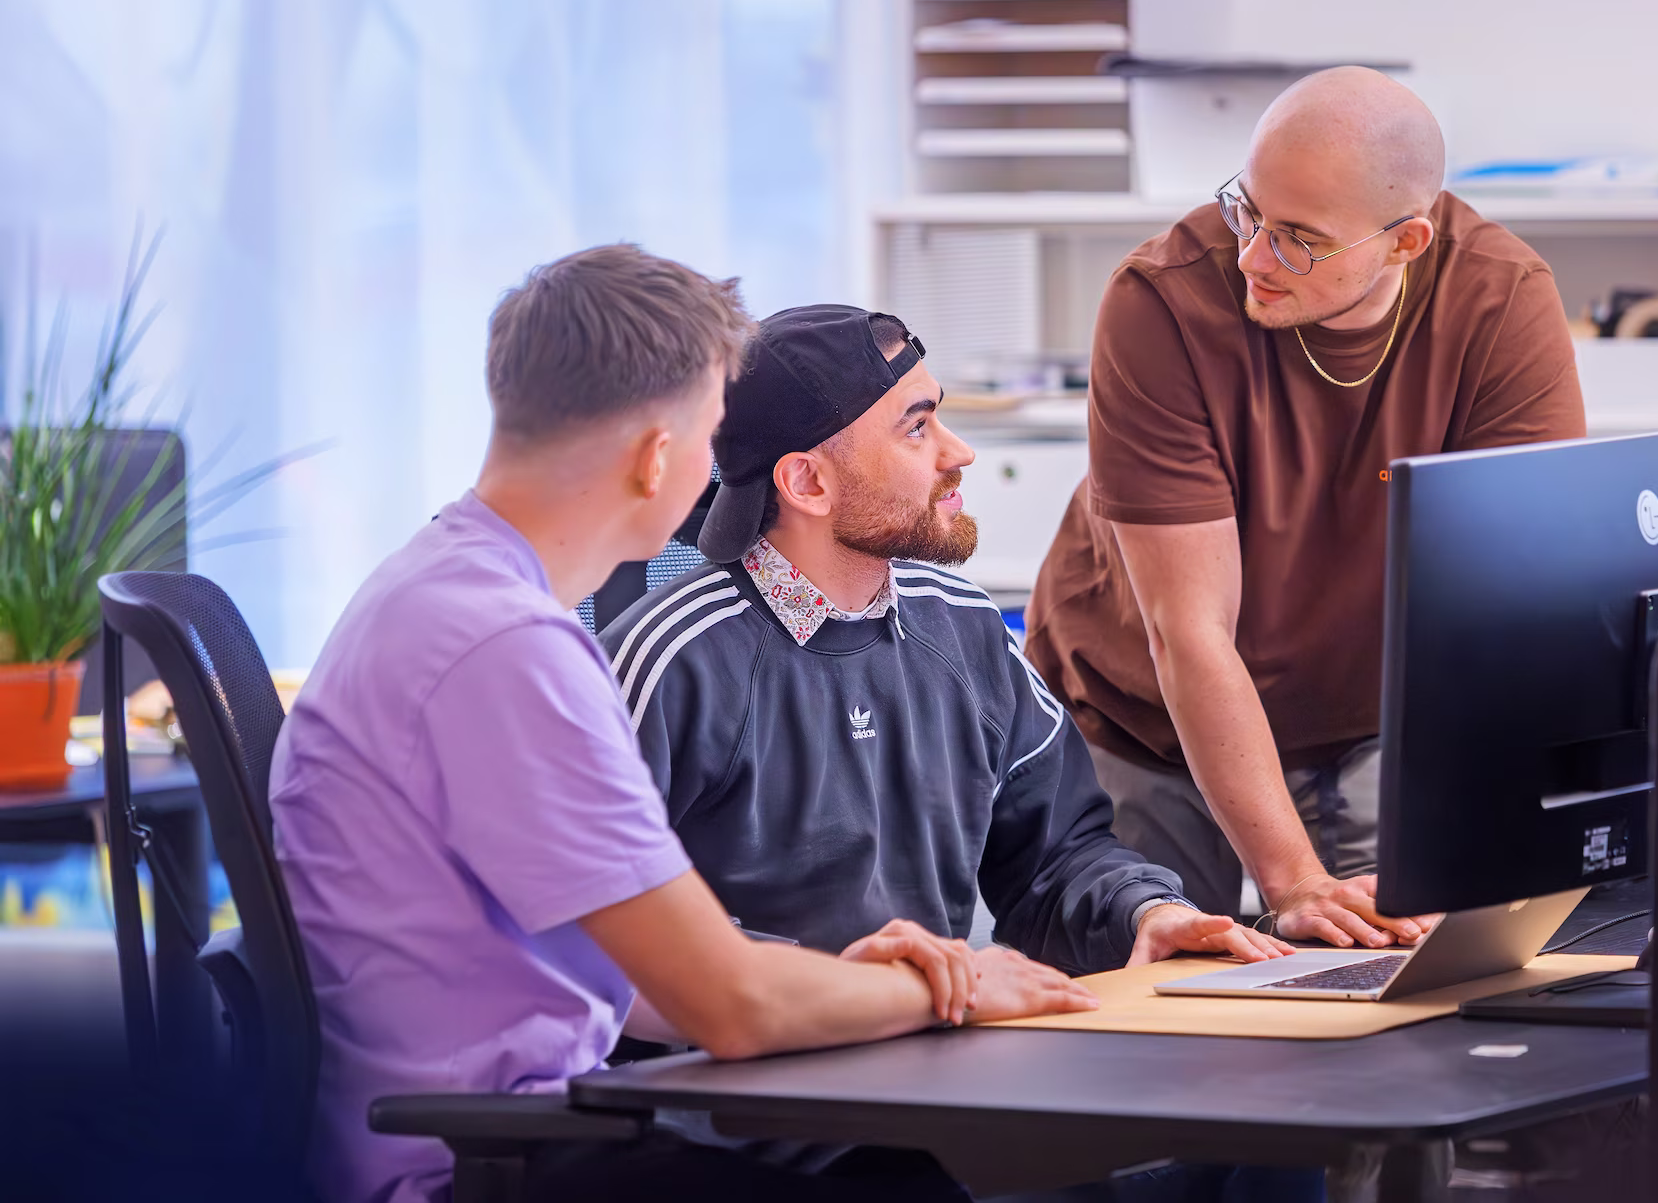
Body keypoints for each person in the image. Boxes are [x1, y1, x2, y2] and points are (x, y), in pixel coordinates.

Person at [268, 247, 1096, 1203]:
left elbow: (648, 977)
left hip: (514, 1130)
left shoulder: (449, 591)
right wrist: (958, 987)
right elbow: (730, 1008)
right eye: (711, 437)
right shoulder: (504, 650)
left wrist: (836, 981)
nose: (715, 476)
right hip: (479, 1161)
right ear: (658, 456)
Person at [1024, 67, 1587, 948]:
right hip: (1142, 720)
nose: (1253, 257)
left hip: (1366, 721)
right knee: (1147, 1017)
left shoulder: (1501, 300)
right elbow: (1190, 633)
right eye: (1248, 210)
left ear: (1405, 244)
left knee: (1405, 984)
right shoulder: (1161, 302)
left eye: (1298, 238)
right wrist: (1291, 880)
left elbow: (1509, 601)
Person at [600, 304, 1294, 976]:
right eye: (916, 430)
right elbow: (615, 925)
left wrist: (1144, 912)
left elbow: (1058, 857)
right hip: (733, 1078)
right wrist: (877, 991)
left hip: (925, 1054)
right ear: (808, 481)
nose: (958, 453)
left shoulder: (965, 627)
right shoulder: (668, 662)